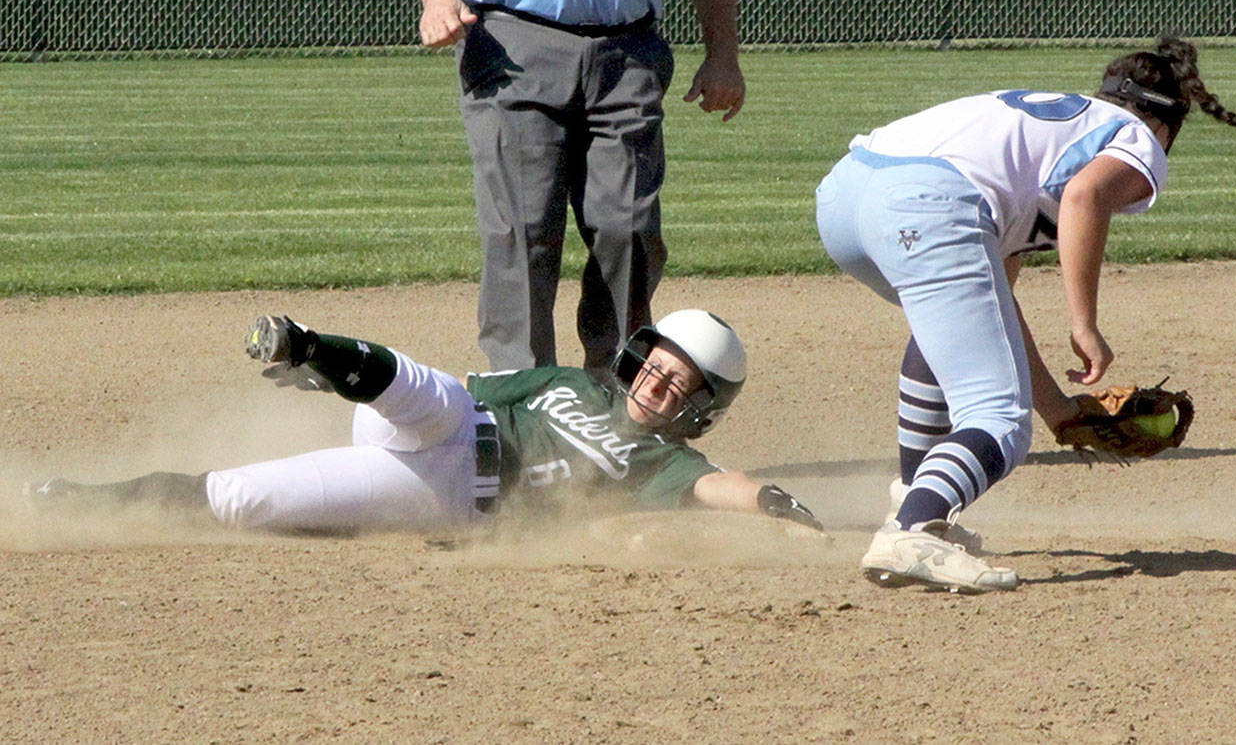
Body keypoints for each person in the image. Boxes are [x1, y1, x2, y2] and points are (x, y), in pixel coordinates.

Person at [814, 36, 1236, 594]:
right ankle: (909, 532)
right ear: (1168, 125)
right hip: (928, 204)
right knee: (999, 420)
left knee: (950, 328)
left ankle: (919, 496)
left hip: (844, 199)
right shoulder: (1137, 136)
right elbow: (1084, 198)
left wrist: (1059, 411)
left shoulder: (1047, 138)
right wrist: (1084, 324)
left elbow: (996, 311)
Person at [25, 311, 821, 538]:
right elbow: (465, 385)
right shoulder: (569, 383)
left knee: (238, 499)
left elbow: (725, 486)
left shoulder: (658, 462)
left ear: (701, 410)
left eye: (678, 383)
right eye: (655, 363)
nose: (656, 383)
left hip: (439, 486)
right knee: (426, 388)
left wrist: (778, 504)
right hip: (441, 419)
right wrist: (330, 380)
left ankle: (78, 500)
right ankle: (310, 346)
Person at [398, 0, 746, 379]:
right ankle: (525, 394)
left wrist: (723, 56)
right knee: (524, 228)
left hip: (629, 54)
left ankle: (617, 393)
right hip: (512, 43)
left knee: (629, 227)